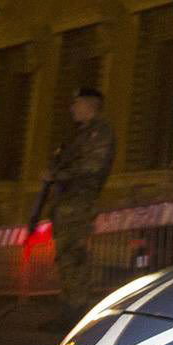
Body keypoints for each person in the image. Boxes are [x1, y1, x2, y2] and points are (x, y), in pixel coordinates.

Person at [47, 88, 118, 325]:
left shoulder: (100, 133)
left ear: (89, 105)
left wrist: (58, 175)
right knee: (66, 257)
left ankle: (76, 311)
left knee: (74, 256)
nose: (72, 109)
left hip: (79, 202)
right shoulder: (80, 134)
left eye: (76, 103)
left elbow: (92, 167)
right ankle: (68, 308)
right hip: (67, 202)